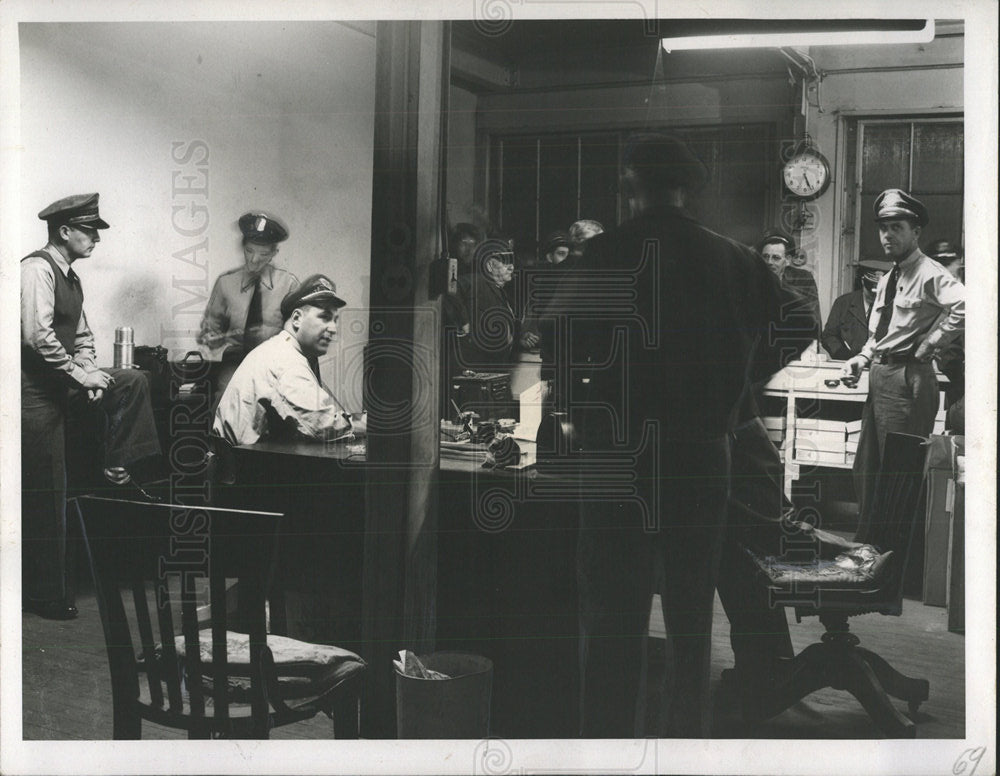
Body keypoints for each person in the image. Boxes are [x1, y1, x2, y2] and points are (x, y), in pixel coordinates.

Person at [545, 133, 812, 737]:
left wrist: (578, 402)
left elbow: (556, 341)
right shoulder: (733, 258)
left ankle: (608, 746)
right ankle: (684, 745)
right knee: (692, 617)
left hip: (619, 455)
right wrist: (744, 378)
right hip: (701, 453)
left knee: (614, 615)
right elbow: (799, 319)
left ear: (630, 187)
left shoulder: (607, 253)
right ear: (688, 189)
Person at [21, 193, 163, 620]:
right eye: (89, 231)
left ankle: (118, 463)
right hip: (34, 396)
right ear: (64, 231)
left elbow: (82, 336)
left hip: (63, 386)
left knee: (132, 380)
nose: (96, 240)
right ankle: (44, 594)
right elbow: (36, 336)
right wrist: (82, 376)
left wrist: (90, 372)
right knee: (48, 493)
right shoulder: (36, 270)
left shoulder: (72, 277)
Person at [842, 190, 965, 540]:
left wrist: (932, 342)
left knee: (898, 471)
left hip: (908, 378)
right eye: (883, 228)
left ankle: (890, 559)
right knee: (868, 468)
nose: (888, 235)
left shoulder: (929, 273)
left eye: (897, 227)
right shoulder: (888, 278)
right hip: (881, 375)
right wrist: (861, 358)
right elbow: (879, 333)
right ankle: (869, 547)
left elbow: (966, 306)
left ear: (916, 232)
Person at [212, 275, 360, 446]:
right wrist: (362, 423)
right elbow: (322, 425)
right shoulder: (285, 359)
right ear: (297, 319)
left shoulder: (283, 349)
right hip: (240, 467)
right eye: (325, 317)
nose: (333, 329)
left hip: (248, 460)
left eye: (335, 320)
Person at [198, 212, 299, 397]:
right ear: (242, 247)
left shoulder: (289, 285)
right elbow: (206, 336)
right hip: (234, 369)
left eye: (263, 254)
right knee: (226, 406)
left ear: (274, 254)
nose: (254, 260)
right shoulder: (225, 284)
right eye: (249, 251)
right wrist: (228, 350)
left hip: (277, 370)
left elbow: (300, 336)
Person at [455, 239, 517, 371]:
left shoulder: (501, 291)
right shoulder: (477, 282)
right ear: (489, 266)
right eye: (505, 262)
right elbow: (453, 287)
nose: (511, 267)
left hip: (495, 368)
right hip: (479, 367)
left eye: (511, 262)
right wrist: (464, 322)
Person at [821, 259, 892, 360]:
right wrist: (842, 354)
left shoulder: (891, 305)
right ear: (863, 281)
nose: (875, 296)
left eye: (879, 292)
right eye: (871, 292)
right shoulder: (843, 303)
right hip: (848, 363)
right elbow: (828, 336)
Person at [758, 232, 821, 332]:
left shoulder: (803, 280)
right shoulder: (751, 279)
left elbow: (813, 321)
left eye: (776, 258)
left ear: (787, 260)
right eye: (765, 257)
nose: (769, 262)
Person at [519, 230, 572, 349]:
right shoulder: (537, 286)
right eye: (561, 254)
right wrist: (524, 335)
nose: (567, 260)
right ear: (549, 257)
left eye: (569, 255)